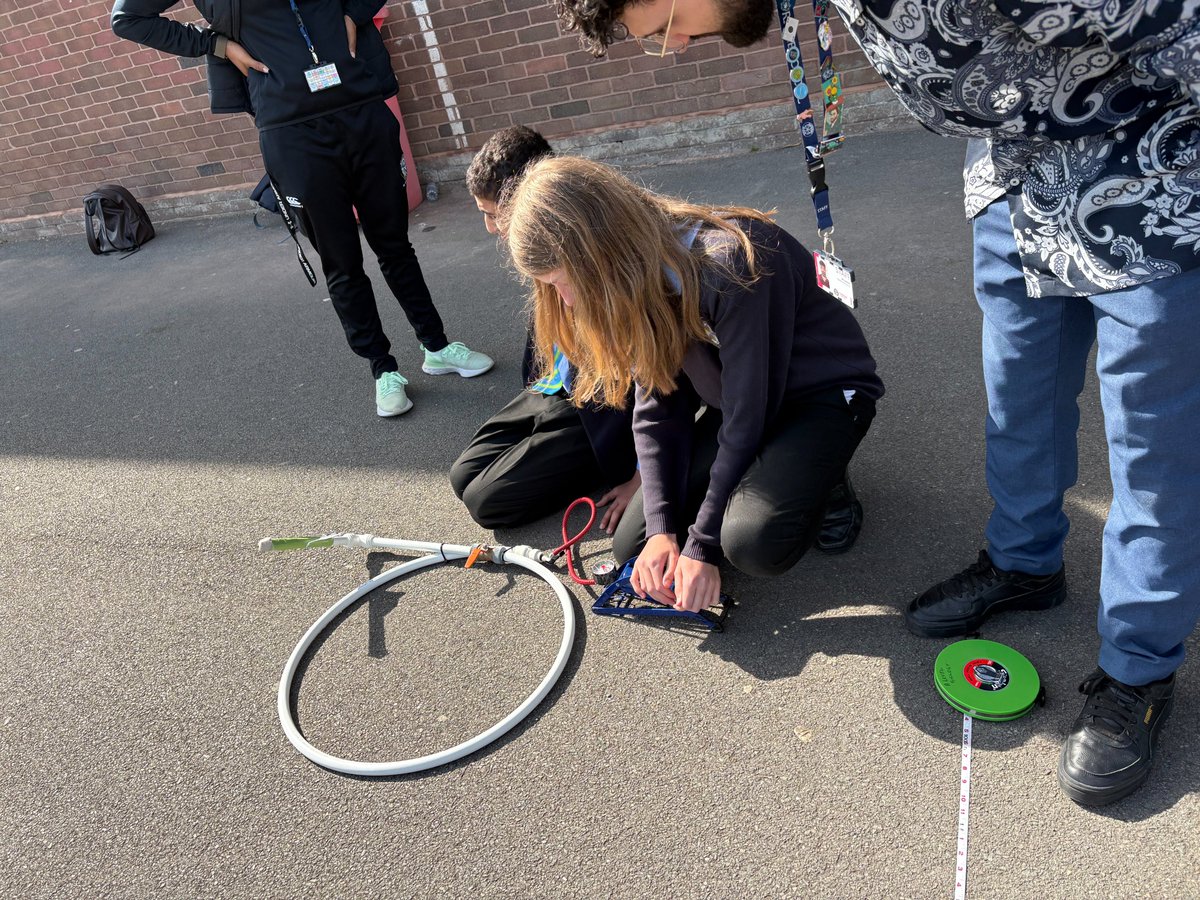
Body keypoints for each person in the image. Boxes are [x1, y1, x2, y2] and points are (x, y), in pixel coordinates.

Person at [551, 0, 1200, 805]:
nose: (678, 45)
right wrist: (665, 531)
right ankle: (1025, 564)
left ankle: (1138, 670)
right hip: (1016, 178)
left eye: (667, 21)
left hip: (1155, 183)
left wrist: (701, 539)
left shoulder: (718, 264)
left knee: (1155, 452)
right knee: (1018, 407)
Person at [503, 156, 884, 612]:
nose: (565, 300)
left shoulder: (731, 264)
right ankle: (748, 487)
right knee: (636, 545)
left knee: (751, 544)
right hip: (738, 398)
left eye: (567, 282)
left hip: (819, 397)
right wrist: (664, 529)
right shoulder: (637, 271)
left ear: (602, 250)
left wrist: (701, 545)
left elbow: (747, 417)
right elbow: (656, 405)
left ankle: (826, 479)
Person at [111, 0, 493, 418]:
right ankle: (382, 369)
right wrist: (218, 45)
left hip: (360, 106)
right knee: (341, 262)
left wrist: (354, 14)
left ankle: (436, 346)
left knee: (395, 244)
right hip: (291, 130)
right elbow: (127, 19)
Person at [451, 126, 640, 530]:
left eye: (492, 214)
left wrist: (635, 473)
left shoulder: (590, 247)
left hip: (597, 405)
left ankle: (593, 463)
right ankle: (562, 455)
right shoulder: (542, 237)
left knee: (487, 503)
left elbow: (650, 374)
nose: (489, 228)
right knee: (462, 476)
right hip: (556, 384)